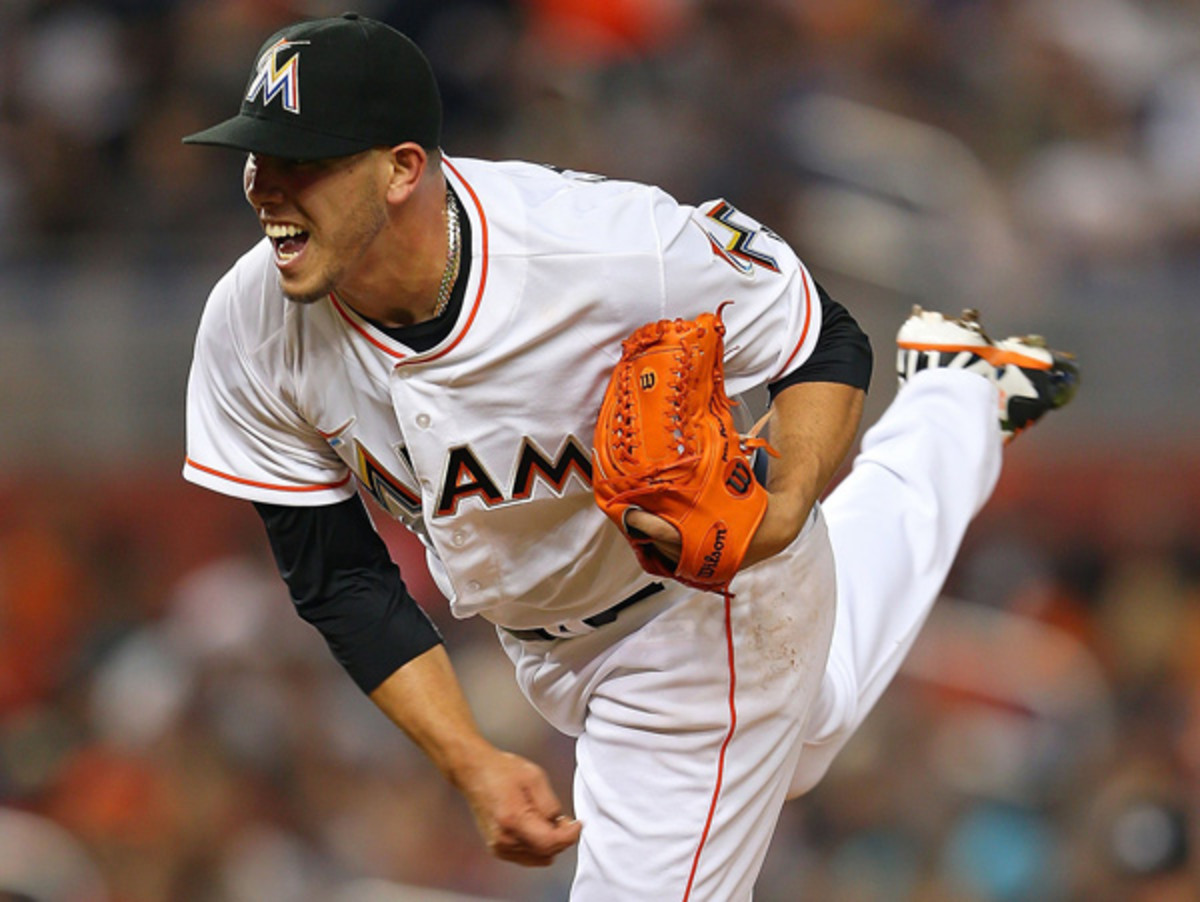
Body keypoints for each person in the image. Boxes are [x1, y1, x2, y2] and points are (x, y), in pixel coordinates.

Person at [180, 13, 1078, 900]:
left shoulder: (602, 248)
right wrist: (471, 760)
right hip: (546, 640)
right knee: (811, 711)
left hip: (692, 611)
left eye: (303, 164)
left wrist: (787, 503)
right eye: (257, 158)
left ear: (401, 169)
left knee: (750, 729)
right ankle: (959, 390)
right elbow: (338, 580)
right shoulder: (250, 327)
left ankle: (948, 402)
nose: (265, 188)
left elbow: (820, 340)